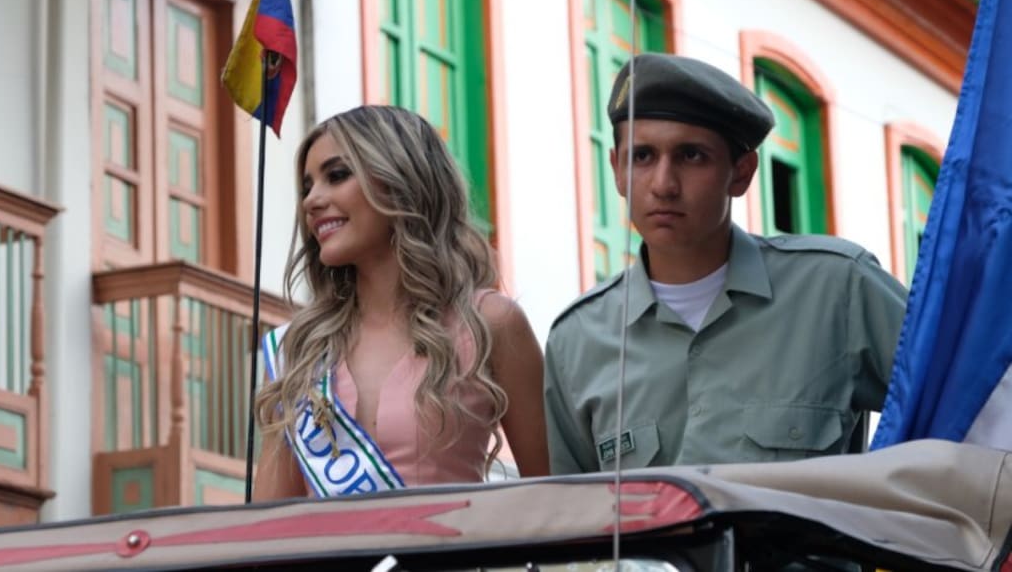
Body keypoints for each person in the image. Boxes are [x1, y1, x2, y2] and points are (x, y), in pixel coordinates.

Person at [544, 53, 908, 474]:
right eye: (642, 156)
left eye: (691, 156)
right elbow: (574, 521)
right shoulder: (577, 342)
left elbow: (970, 411)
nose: (663, 185)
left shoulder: (838, 289)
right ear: (617, 169)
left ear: (741, 173)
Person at [255, 105, 549, 499]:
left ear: (401, 181)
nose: (311, 201)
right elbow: (271, 529)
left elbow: (556, 501)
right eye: (308, 186)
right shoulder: (298, 352)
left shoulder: (490, 324)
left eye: (337, 176)